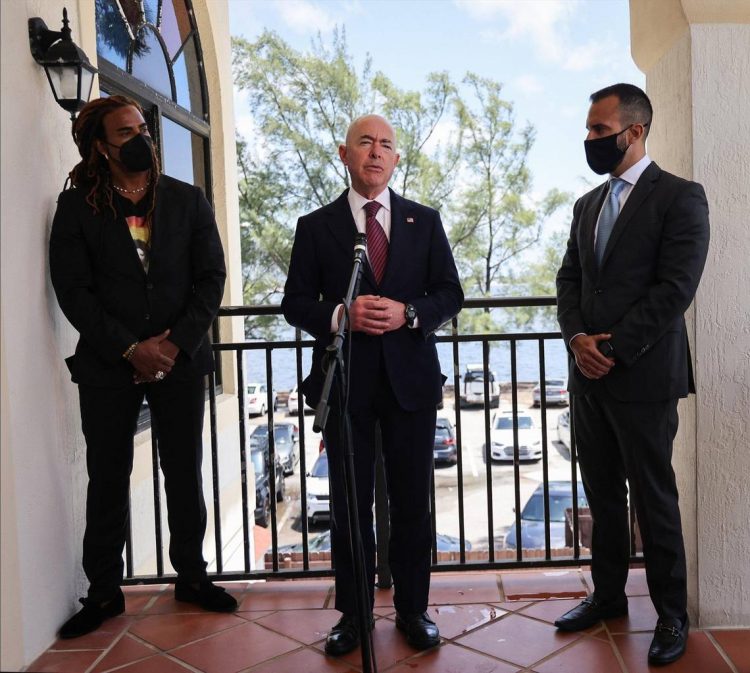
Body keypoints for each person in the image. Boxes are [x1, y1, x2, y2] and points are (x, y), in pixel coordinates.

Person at [49, 95, 236, 639]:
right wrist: (131, 348)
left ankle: (193, 578)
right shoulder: (77, 207)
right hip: (109, 368)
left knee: (183, 473)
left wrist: (174, 344)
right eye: (126, 133)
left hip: (180, 361)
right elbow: (73, 291)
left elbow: (211, 277)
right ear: (101, 147)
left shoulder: (188, 200)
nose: (142, 140)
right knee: (107, 477)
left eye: (144, 130)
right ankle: (104, 592)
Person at [282, 114, 463, 655]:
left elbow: (450, 293)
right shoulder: (315, 227)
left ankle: (413, 610)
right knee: (349, 505)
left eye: (386, 145)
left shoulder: (423, 221)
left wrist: (409, 313)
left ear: (396, 159)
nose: (376, 152)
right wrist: (341, 315)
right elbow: (294, 302)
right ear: (345, 153)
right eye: (366, 142)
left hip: (410, 386)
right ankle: (354, 616)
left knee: (412, 504)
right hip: (347, 387)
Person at [555, 84, 709, 665]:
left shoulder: (680, 198)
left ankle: (673, 615)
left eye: (600, 130)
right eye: (589, 130)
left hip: (643, 377)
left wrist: (611, 347)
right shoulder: (587, 206)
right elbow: (570, 281)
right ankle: (609, 597)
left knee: (654, 498)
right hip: (588, 378)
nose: (590, 139)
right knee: (601, 495)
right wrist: (576, 341)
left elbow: (676, 289)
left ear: (635, 131)